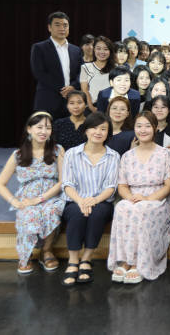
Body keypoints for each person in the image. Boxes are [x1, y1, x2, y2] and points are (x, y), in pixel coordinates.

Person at [0, 111, 65, 274]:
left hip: (52, 195)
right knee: (29, 213)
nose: (43, 131)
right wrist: (14, 201)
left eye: (48, 127)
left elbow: (63, 181)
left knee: (51, 210)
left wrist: (40, 199)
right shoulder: (18, 155)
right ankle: (26, 254)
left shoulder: (57, 150)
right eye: (39, 127)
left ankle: (47, 251)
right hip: (27, 197)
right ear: (29, 129)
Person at [107, 111, 170, 284]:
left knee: (142, 210)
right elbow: (122, 185)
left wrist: (148, 198)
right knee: (122, 207)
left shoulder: (165, 154)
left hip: (157, 199)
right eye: (139, 126)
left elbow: (168, 186)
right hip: (133, 197)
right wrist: (130, 198)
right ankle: (124, 260)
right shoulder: (127, 156)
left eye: (147, 126)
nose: (143, 130)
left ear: (155, 128)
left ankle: (138, 262)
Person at [60, 112, 119, 286]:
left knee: (97, 214)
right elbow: (67, 183)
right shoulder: (72, 154)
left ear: (108, 133)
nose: (98, 132)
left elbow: (111, 187)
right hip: (75, 199)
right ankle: (73, 260)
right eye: (93, 127)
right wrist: (81, 201)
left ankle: (86, 258)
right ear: (85, 130)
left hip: (101, 201)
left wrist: (93, 200)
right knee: (77, 214)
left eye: (103, 129)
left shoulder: (113, 156)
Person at [30, 11, 83, 119]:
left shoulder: (76, 50)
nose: (62, 28)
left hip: (72, 102)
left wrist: (73, 87)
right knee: (46, 134)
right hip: (48, 100)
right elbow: (39, 72)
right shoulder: (39, 48)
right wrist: (63, 90)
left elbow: (82, 72)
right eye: (57, 25)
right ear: (49, 27)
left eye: (65, 25)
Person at [80, 36, 115, 111]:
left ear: (110, 51)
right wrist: (91, 107)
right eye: (98, 49)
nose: (102, 52)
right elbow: (85, 90)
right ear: (94, 50)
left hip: (113, 107)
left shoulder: (116, 68)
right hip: (93, 107)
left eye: (105, 49)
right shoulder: (85, 67)